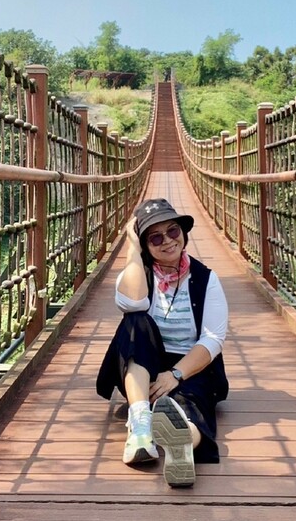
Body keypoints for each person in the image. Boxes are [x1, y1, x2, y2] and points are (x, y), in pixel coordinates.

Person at [96, 198, 229, 487]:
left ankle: (182, 445)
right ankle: (142, 421)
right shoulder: (139, 274)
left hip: (191, 364)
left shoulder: (207, 278)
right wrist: (132, 246)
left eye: (173, 231)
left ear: (183, 232)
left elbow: (213, 338)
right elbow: (132, 303)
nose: (167, 241)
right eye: (155, 238)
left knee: (191, 409)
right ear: (146, 246)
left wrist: (176, 374)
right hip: (144, 364)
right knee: (135, 321)